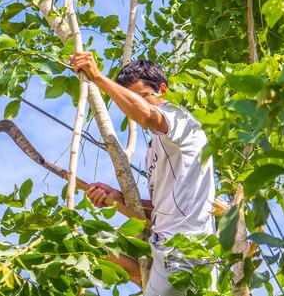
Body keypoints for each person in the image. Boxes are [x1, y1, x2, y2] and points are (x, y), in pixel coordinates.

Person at [69, 52, 216, 296]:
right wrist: (117, 198)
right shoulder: (153, 150)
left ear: (163, 89)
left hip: (183, 248)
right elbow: (163, 208)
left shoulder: (179, 118)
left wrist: (97, 78)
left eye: (144, 97)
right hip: (166, 248)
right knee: (98, 250)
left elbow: (147, 115)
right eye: (131, 98)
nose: (138, 105)